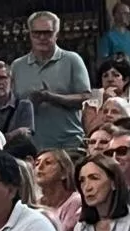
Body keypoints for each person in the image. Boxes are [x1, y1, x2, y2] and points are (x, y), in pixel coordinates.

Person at [9, 10, 91, 149]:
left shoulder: (72, 60)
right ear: (30, 35)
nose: (42, 37)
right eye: (37, 33)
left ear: (56, 34)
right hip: (31, 146)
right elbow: (11, 106)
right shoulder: (18, 66)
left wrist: (51, 97)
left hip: (68, 143)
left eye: (47, 33)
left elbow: (85, 98)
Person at [81, 56, 130, 133]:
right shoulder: (92, 105)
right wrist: (104, 104)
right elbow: (90, 131)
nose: (110, 79)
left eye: (116, 75)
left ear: (126, 80)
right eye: (105, 76)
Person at [32, 149, 82, 231]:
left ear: (64, 172)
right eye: (36, 164)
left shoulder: (76, 201)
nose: (39, 167)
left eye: (47, 163)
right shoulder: (35, 203)